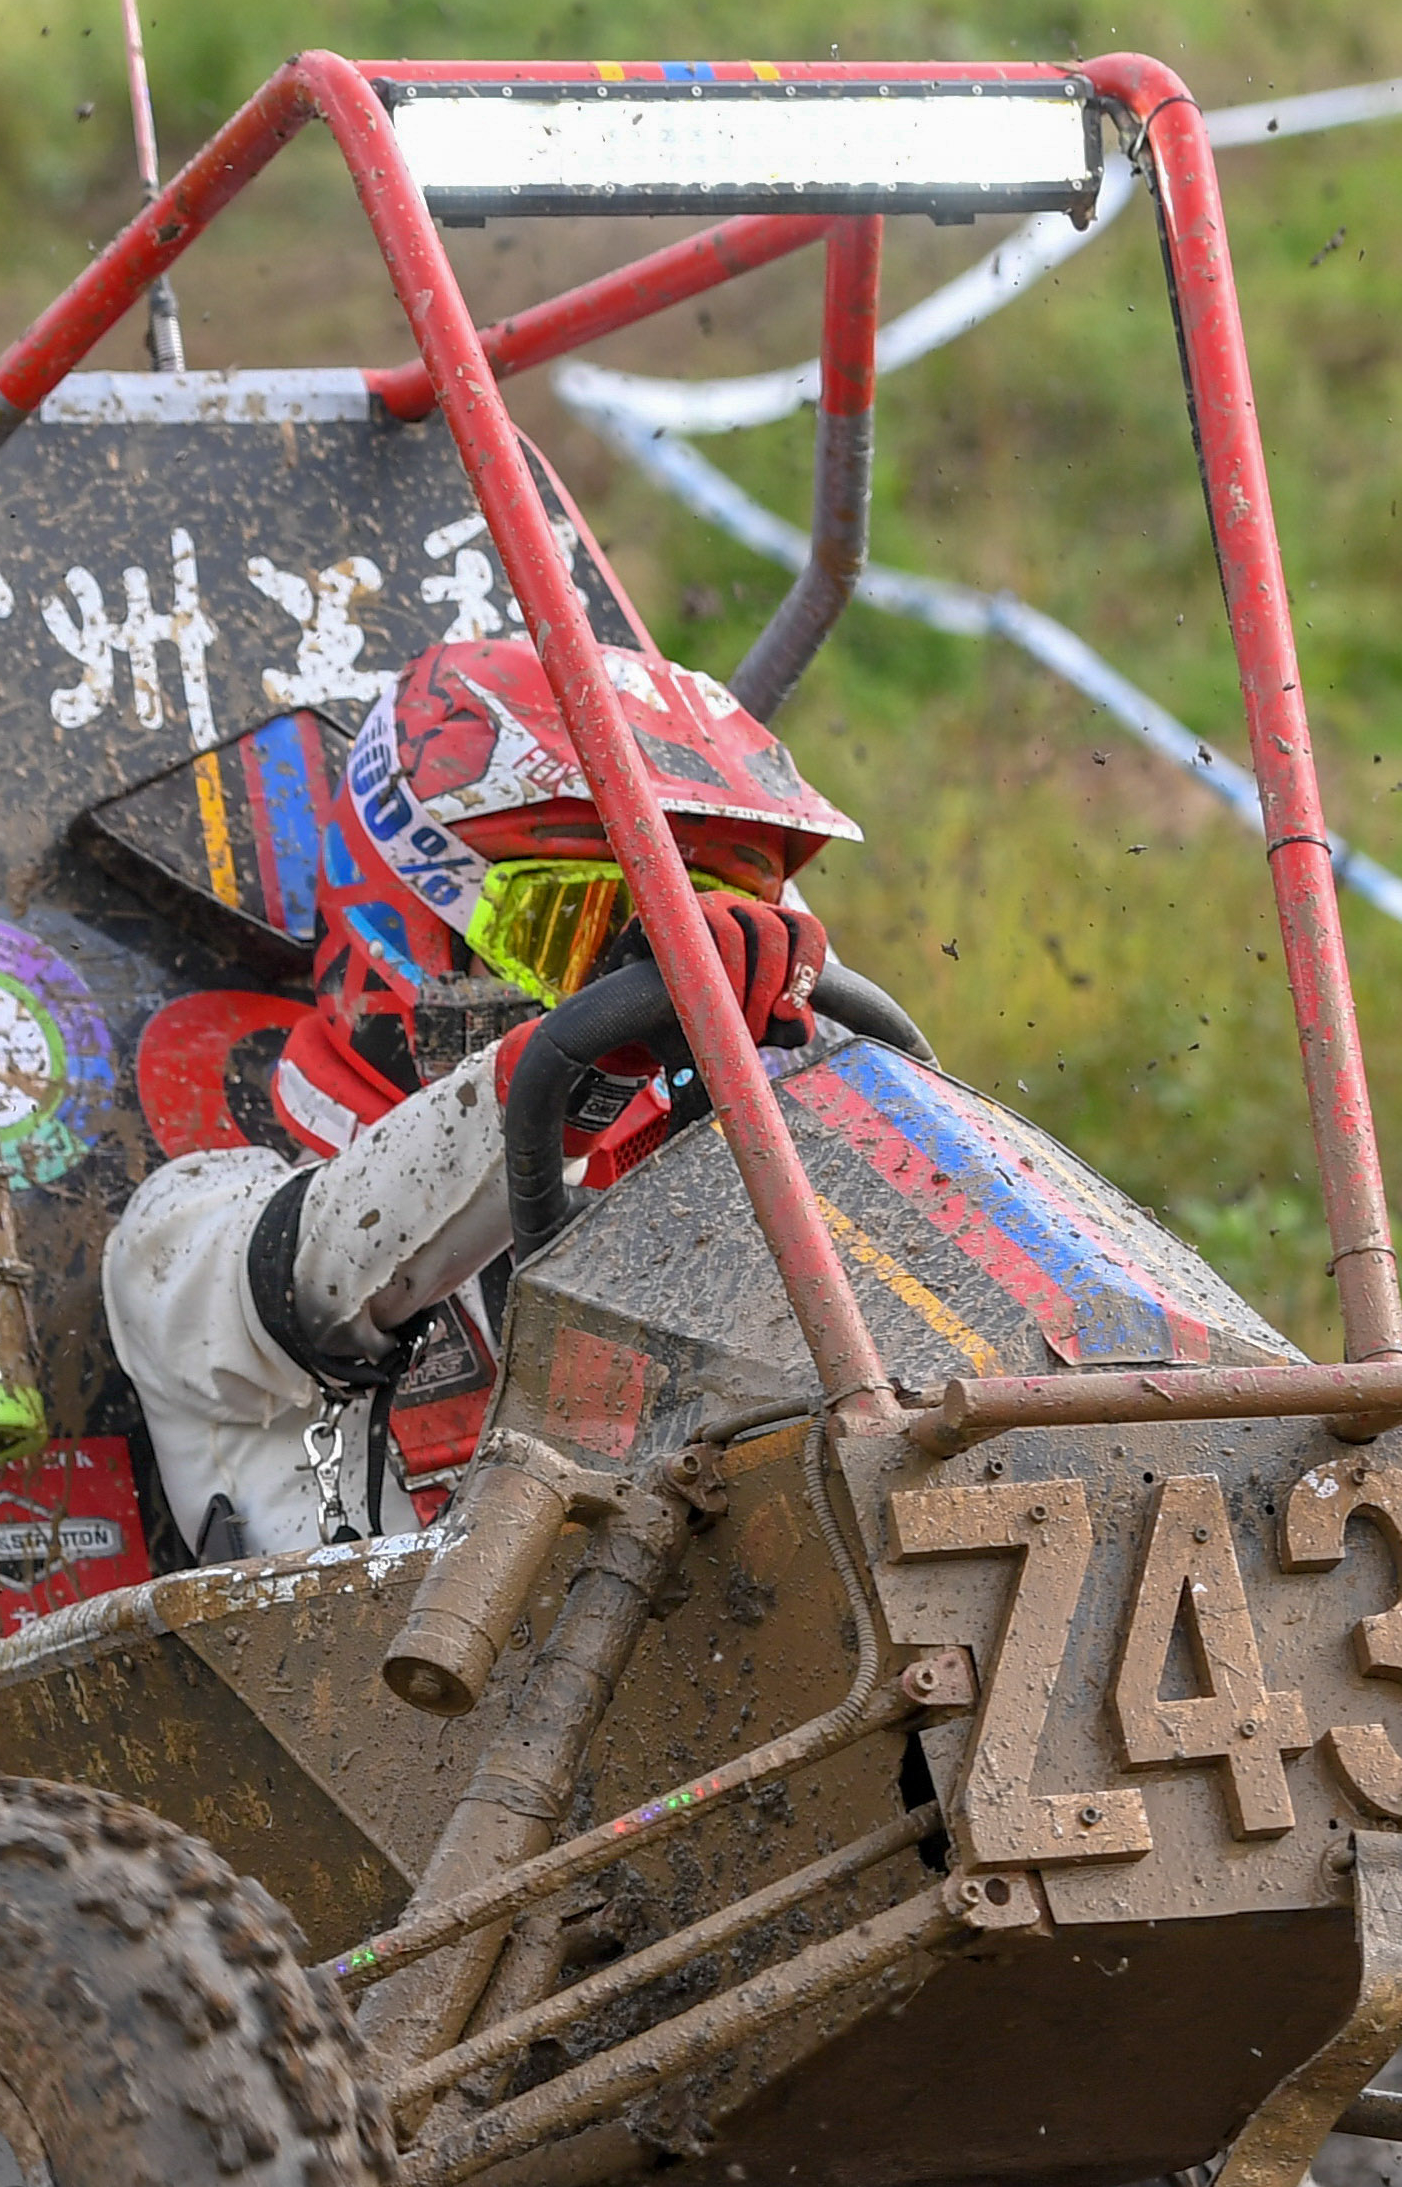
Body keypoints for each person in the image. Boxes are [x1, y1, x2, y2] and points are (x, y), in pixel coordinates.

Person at [106, 632, 855, 1557]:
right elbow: (328, 1271)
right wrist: (582, 1061)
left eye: (687, 946)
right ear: (406, 901)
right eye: (576, 927)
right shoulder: (182, 1227)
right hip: (373, 1687)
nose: (650, 985)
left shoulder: (698, 1207)